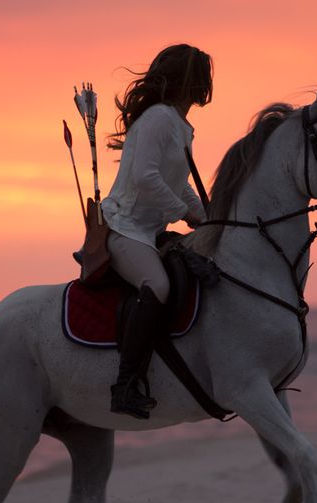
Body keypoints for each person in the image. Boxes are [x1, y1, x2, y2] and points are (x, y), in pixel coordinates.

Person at [100, 44, 213, 419]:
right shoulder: (159, 119)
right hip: (124, 228)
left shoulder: (179, 126)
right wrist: (183, 213)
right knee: (158, 286)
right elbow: (144, 177)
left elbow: (176, 183)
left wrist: (207, 217)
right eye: (201, 76)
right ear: (190, 81)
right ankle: (125, 386)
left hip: (149, 231)